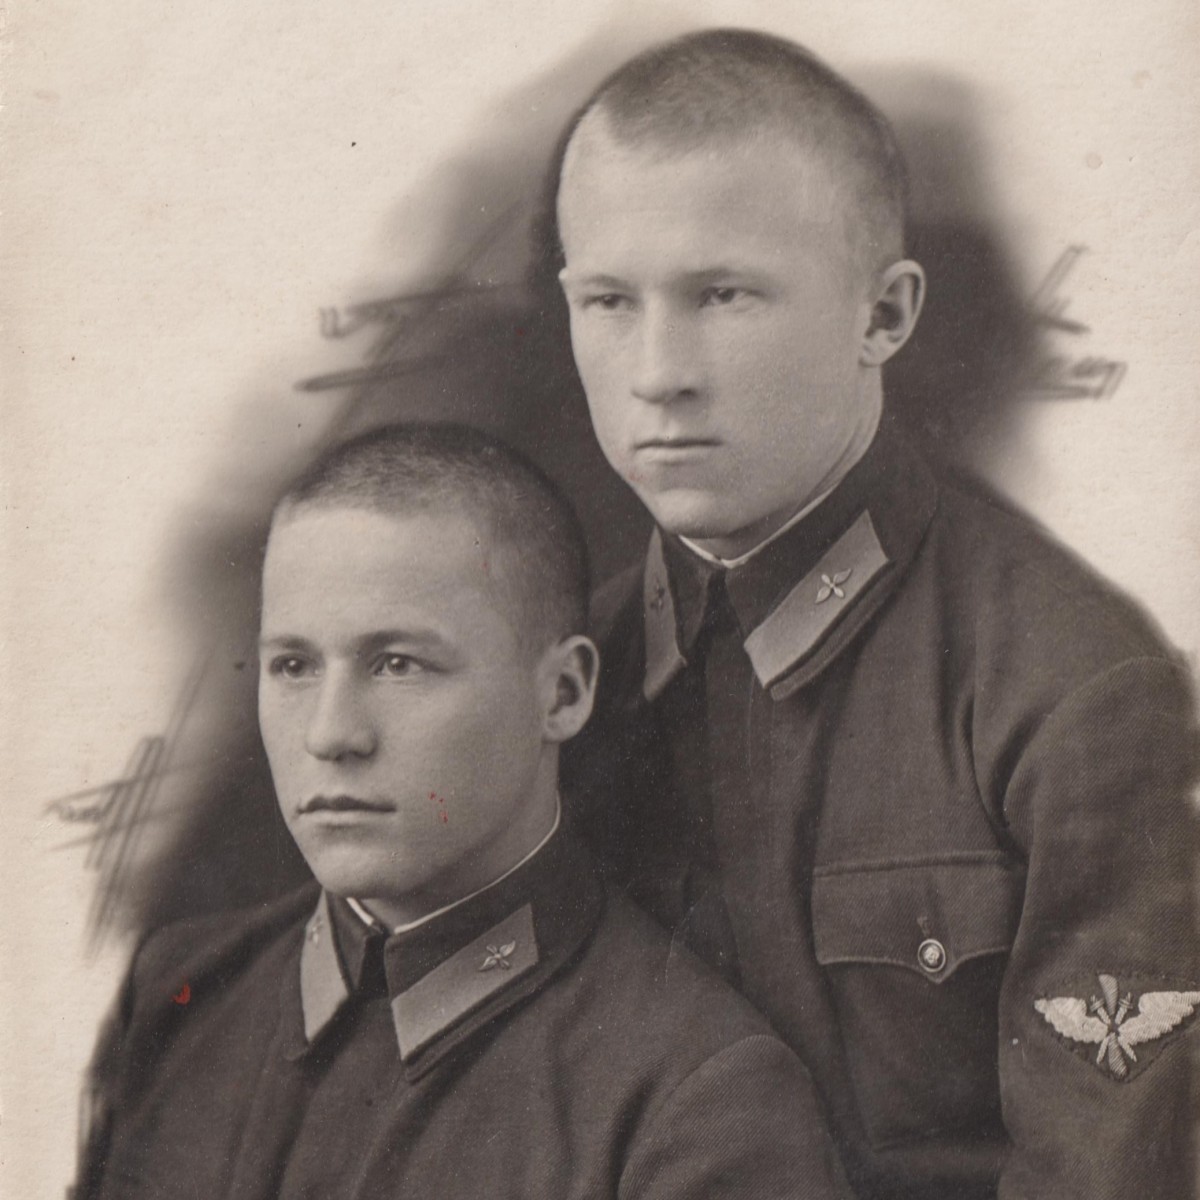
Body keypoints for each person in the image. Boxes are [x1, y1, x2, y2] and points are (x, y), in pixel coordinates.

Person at [556, 29, 1199, 1200]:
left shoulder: (1070, 694)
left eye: (723, 294)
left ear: (885, 315)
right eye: (609, 300)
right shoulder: (558, 694)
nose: (658, 370)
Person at [74, 424, 851, 1200]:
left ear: (563, 692)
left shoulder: (695, 1098)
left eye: (398, 664)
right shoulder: (180, 998)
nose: (331, 733)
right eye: (293, 666)